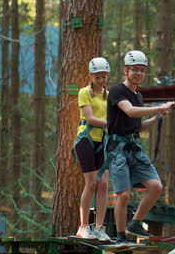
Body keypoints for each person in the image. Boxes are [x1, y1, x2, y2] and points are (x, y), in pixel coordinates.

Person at [105, 50, 175, 244]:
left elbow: (138, 125)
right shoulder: (117, 90)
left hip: (133, 148)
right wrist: (159, 107)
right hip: (117, 149)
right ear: (126, 70)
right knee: (124, 194)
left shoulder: (139, 96)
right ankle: (120, 236)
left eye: (142, 70)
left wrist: (156, 118)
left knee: (155, 186)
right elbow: (131, 111)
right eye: (135, 70)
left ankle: (135, 223)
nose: (138, 74)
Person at [72, 57, 112, 241]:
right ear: (91, 76)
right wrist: (111, 124)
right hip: (86, 139)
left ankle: (99, 228)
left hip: (102, 141)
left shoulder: (109, 95)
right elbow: (90, 118)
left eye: (104, 76)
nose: (101, 80)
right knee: (92, 183)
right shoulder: (84, 92)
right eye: (98, 77)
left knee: (103, 184)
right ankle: (83, 226)